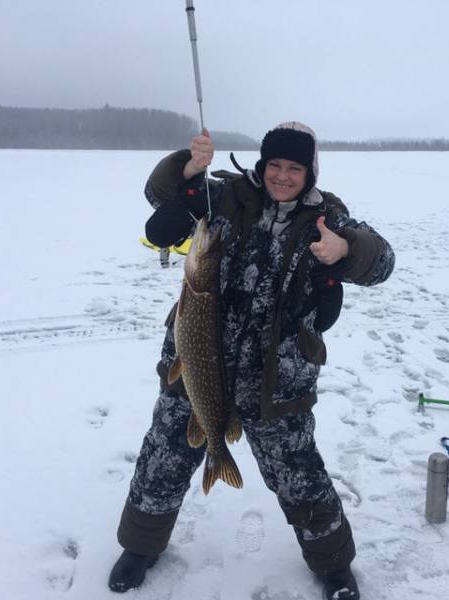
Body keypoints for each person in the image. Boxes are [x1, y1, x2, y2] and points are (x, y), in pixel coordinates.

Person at [109, 121, 395, 600]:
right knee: (164, 458)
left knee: (300, 477)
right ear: (262, 165)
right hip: (196, 366)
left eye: (295, 168)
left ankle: (333, 567)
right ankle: (140, 547)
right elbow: (158, 193)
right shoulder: (224, 196)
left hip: (277, 379)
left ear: (310, 171)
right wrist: (187, 165)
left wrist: (344, 250)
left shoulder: (327, 217)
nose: (283, 176)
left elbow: (380, 261)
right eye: (275, 165)